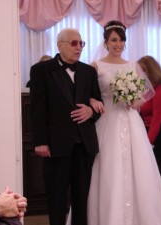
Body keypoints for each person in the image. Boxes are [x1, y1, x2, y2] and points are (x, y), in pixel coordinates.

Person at [68, 20, 161, 225]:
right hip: (107, 120)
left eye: (121, 40)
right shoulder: (96, 66)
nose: (118, 44)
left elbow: (145, 94)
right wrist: (93, 101)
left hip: (130, 120)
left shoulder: (132, 66)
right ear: (106, 42)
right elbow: (86, 94)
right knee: (108, 167)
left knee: (139, 167)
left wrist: (132, 100)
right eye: (114, 40)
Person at [29, 28, 102, 225]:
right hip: (56, 145)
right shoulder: (41, 70)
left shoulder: (88, 71)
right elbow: (37, 109)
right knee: (57, 198)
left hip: (85, 144)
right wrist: (41, 142)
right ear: (60, 45)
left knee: (82, 198)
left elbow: (98, 103)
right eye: (74, 43)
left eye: (81, 43)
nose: (79, 47)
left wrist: (90, 111)